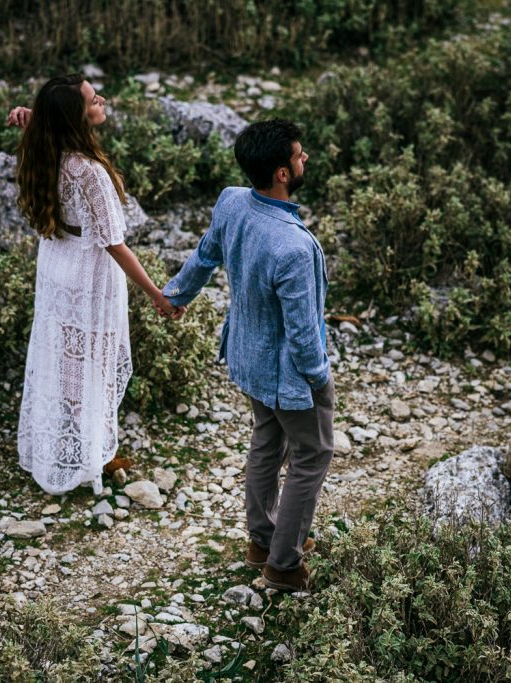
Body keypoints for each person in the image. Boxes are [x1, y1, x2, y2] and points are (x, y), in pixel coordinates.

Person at [163, 120, 333, 592]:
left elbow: (204, 256)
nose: (305, 160)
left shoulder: (232, 201)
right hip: (289, 375)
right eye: (299, 156)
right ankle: (283, 565)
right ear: (281, 173)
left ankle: (262, 540)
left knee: (266, 440)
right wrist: (320, 378)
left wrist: (176, 295)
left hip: (246, 357)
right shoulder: (294, 246)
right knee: (312, 454)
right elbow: (302, 334)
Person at [11, 74, 180, 496]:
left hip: (58, 260)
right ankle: (93, 456)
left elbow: (46, 125)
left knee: (66, 360)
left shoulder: (44, 146)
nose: (101, 100)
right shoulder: (89, 173)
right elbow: (115, 245)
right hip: (88, 271)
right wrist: (157, 294)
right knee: (96, 364)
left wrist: (31, 118)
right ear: (76, 116)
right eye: (91, 100)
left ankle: (74, 445)